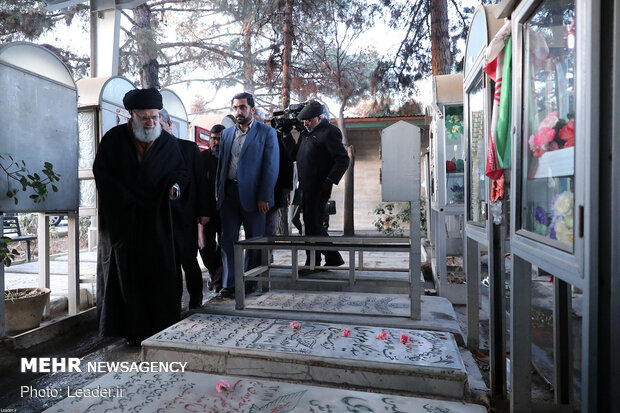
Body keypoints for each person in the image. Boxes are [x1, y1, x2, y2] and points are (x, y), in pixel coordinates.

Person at [93, 88, 188, 345]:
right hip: (126, 222)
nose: (150, 122)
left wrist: (175, 188)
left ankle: (162, 328)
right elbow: (103, 175)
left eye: (154, 117)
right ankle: (132, 332)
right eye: (145, 117)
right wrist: (126, 200)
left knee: (161, 276)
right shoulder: (113, 140)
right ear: (131, 117)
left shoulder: (168, 143)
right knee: (128, 279)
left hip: (158, 222)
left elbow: (179, 172)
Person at [216, 92, 279, 298]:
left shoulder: (266, 133)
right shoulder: (226, 134)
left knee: (254, 241)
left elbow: (270, 167)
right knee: (228, 241)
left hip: (254, 196)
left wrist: (265, 197)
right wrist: (219, 193)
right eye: (235, 108)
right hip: (229, 194)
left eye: (242, 107)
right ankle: (230, 283)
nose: (238, 111)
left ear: (252, 108)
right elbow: (221, 166)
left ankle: (251, 281)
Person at [160, 109, 209, 309]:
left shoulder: (189, 149)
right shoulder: (152, 151)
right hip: (164, 218)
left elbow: (201, 183)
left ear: (169, 125)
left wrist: (204, 211)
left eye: (161, 126)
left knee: (188, 260)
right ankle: (174, 303)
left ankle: (196, 299)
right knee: (169, 264)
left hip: (187, 215)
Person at [296, 100, 349, 271]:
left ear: (319, 118)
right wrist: (286, 136)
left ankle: (318, 261)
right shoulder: (305, 134)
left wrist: (329, 182)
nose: (305, 123)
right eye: (303, 121)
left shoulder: (329, 132)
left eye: (309, 120)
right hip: (305, 188)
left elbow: (343, 159)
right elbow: (293, 155)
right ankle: (324, 259)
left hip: (319, 188)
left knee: (314, 227)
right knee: (309, 226)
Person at [254, 108, 294, 238]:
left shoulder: (273, 135)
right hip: (252, 192)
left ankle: (268, 256)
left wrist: (286, 186)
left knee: (269, 228)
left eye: (256, 120)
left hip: (274, 191)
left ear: (263, 121)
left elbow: (286, 161)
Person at [198, 124, 225, 292]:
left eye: (219, 139)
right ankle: (216, 274)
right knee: (205, 247)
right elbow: (198, 186)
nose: (216, 142)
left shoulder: (229, 158)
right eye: (213, 139)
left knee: (225, 246)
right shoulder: (202, 158)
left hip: (226, 211)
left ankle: (219, 281)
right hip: (206, 211)